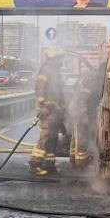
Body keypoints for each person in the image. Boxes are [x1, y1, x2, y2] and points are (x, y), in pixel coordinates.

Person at [30, 47, 67, 176]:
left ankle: (49, 164)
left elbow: (60, 92)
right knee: (45, 138)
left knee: (53, 138)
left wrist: (63, 107)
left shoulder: (56, 72)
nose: (61, 60)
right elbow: (39, 89)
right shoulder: (46, 70)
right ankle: (35, 164)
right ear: (53, 58)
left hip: (55, 111)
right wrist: (43, 105)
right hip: (48, 111)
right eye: (60, 58)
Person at [67, 61, 105, 168]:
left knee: (77, 135)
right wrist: (84, 114)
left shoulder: (95, 77)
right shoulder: (93, 79)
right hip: (79, 110)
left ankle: (74, 159)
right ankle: (81, 163)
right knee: (82, 135)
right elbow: (83, 98)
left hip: (79, 109)